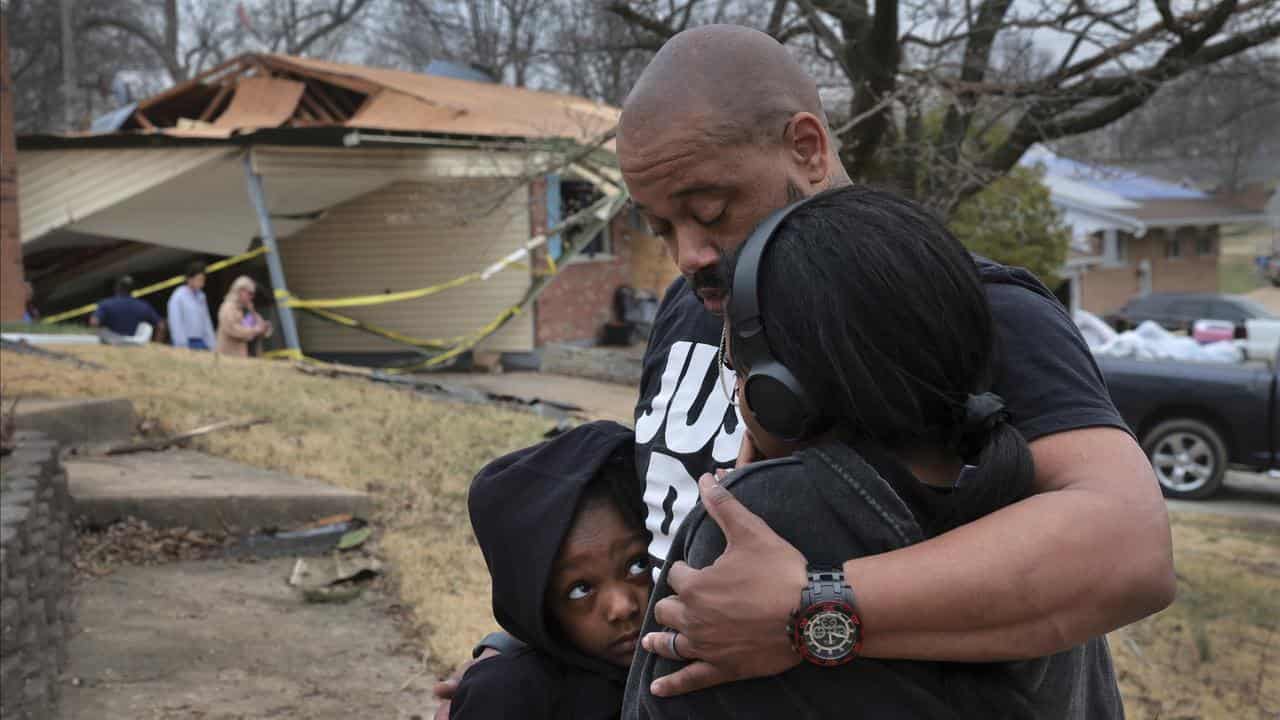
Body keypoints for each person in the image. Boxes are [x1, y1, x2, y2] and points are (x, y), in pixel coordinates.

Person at [437, 24, 1173, 715]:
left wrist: (814, 609)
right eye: (662, 226)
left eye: (711, 208)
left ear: (808, 149)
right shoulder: (694, 302)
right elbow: (665, 534)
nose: (688, 253)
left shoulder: (966, 308)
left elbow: (1127, 549)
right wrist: (531, 658)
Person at [627, 186, 1121, 718]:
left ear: (781, 392)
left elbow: (654, 704)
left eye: (734, 365)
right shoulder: (1032, 504)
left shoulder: (755, 515)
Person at [453, 421, 651, 720]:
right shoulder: (511, 700)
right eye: (580, 589)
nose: (622, 607)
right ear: (540, 610)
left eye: (638, 564)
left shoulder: (705, 667)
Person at [90, 275, 164, 341]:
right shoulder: (143, 306)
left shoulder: (106, 304)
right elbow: (161, 325)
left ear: (117, 287)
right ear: (133, 289)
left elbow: (94, 322)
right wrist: (156, 345)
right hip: (134, 346)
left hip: (111, 346)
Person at [215, 275, 272, 357]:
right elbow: (233, 329)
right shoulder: (228, 307)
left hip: (243, 356)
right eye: (250, 293)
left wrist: (261, 325)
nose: (251, 297)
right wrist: (254, 330)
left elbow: (263, 330)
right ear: (240, 291)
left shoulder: (245, 309)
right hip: (228, 356)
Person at [167, 261, 216, 351]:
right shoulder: (178, 296)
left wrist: (212, 344)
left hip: (200, 342)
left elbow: (206, 322)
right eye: (199, 280)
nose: (202, 284)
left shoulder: (201, 297)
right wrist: (181, 345)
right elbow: (175, 322)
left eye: (203, 280)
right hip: (185, 341)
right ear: (190, 279)